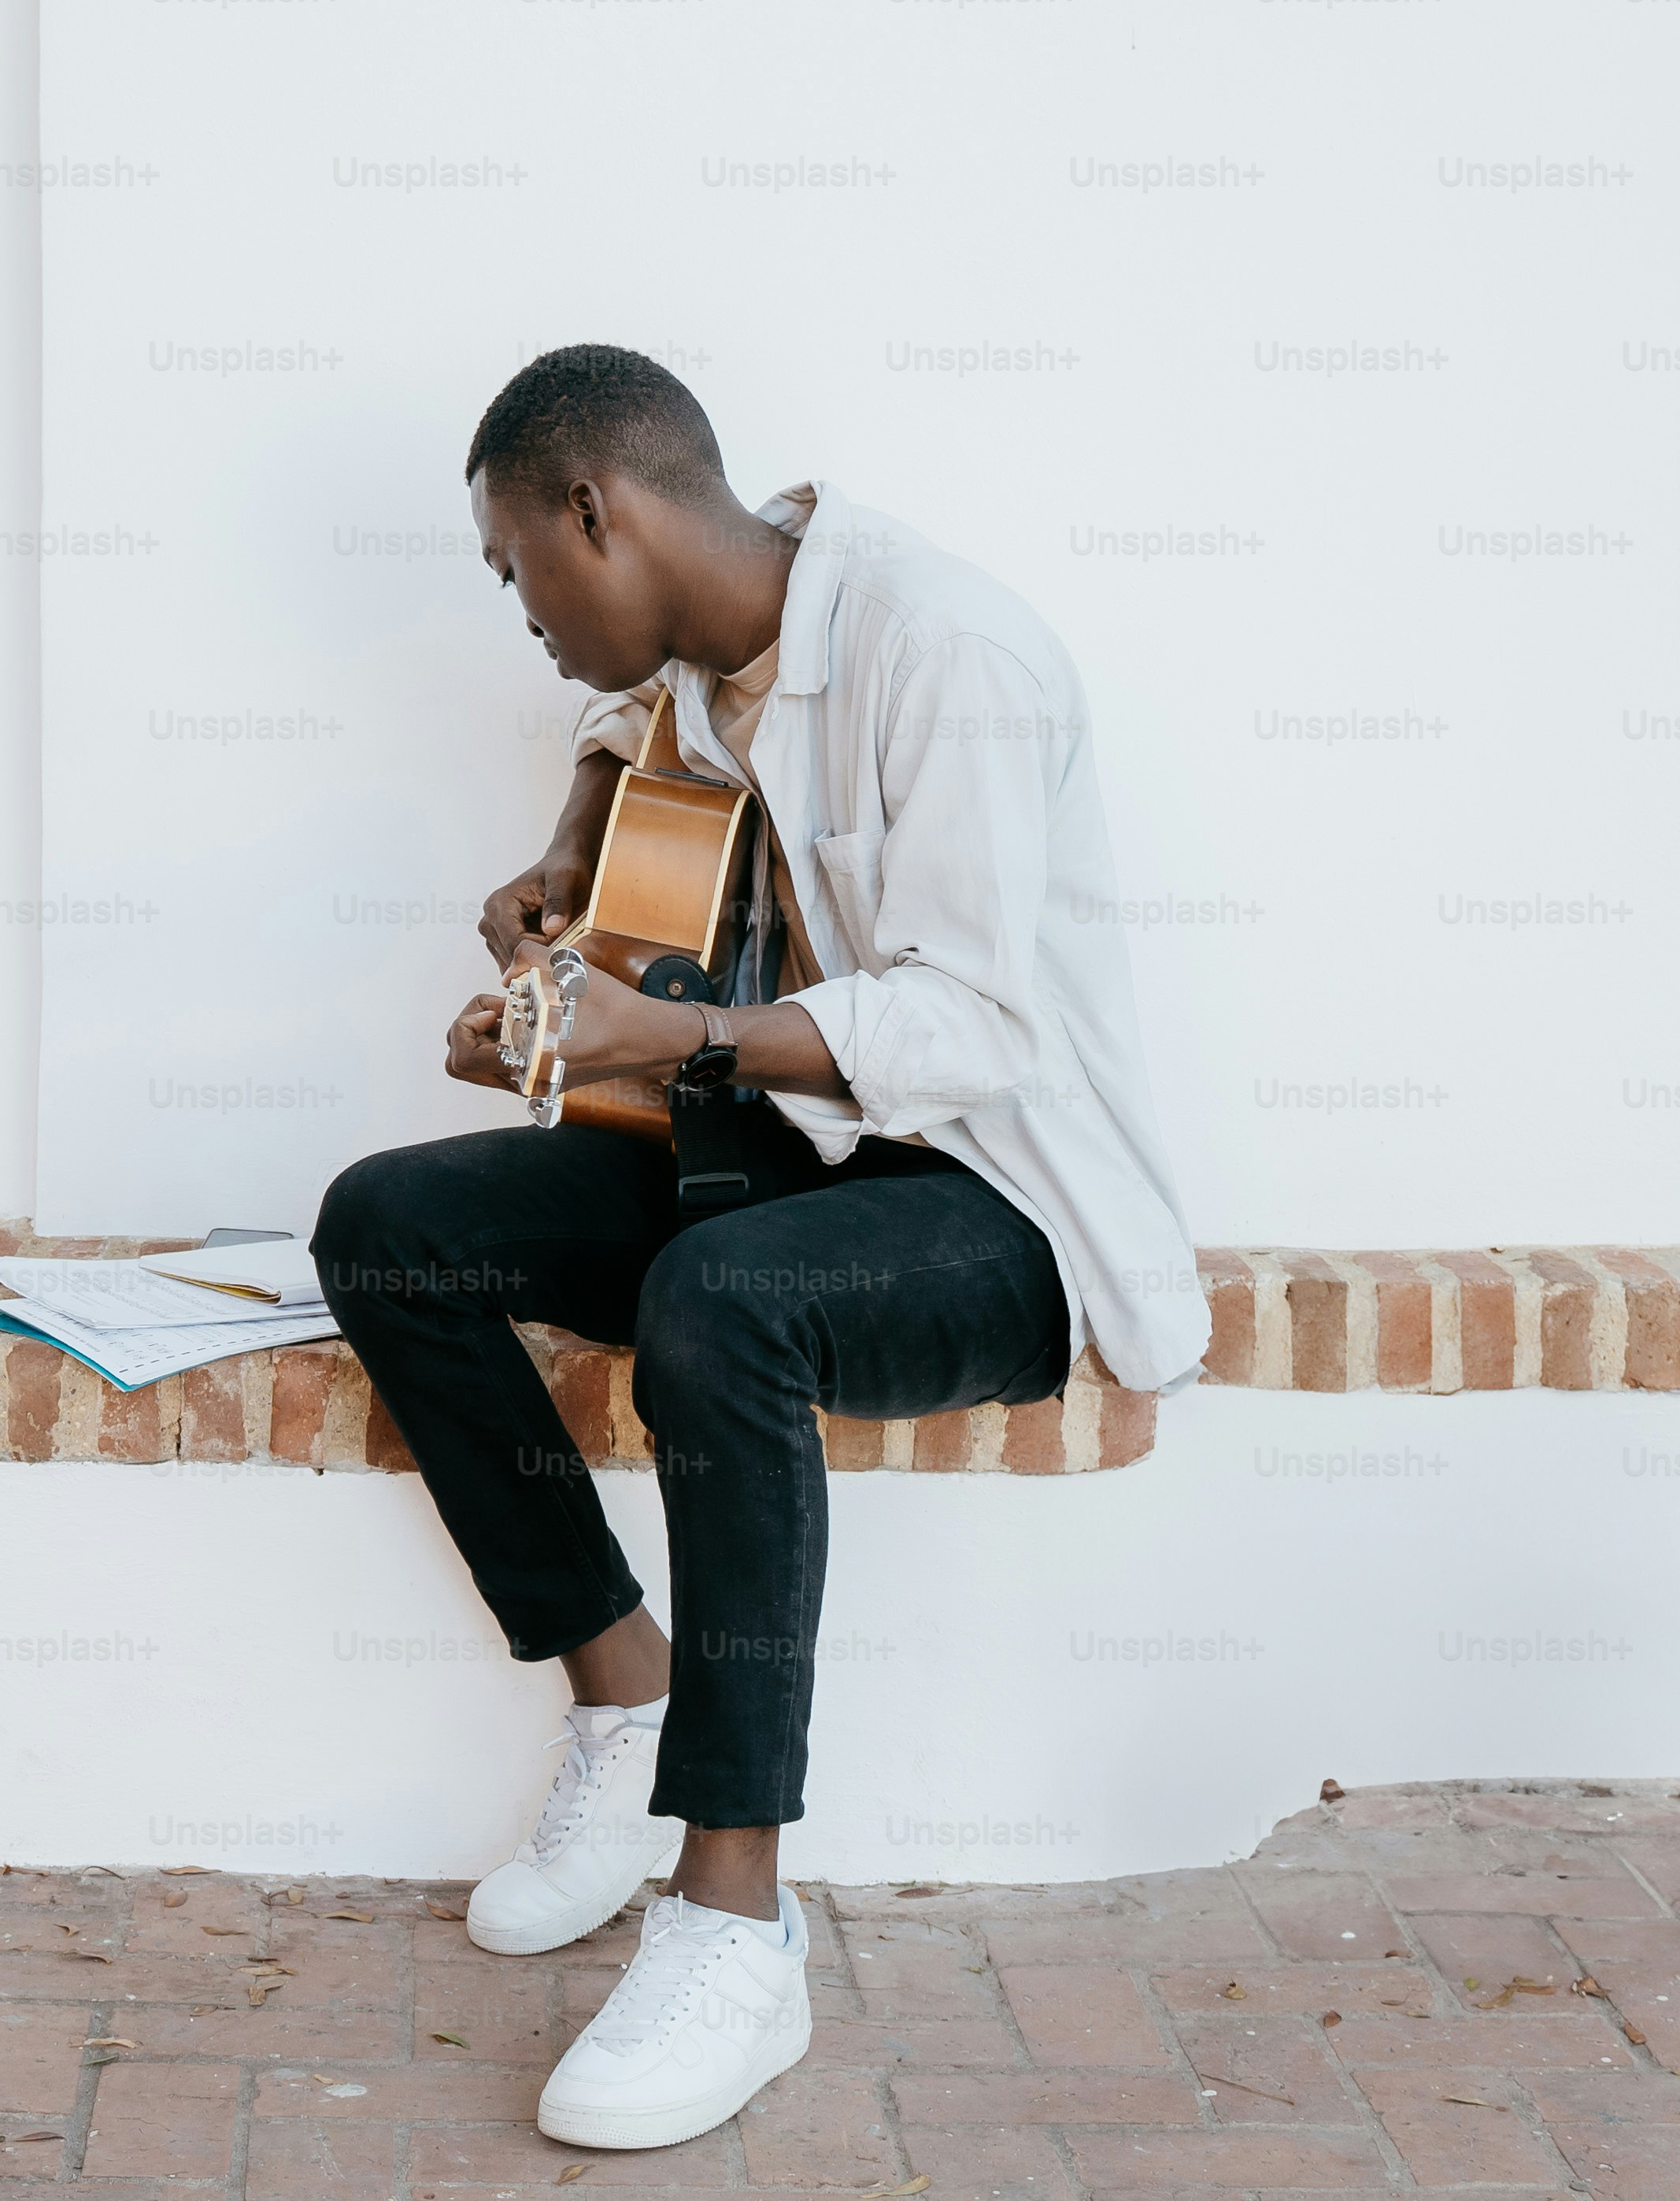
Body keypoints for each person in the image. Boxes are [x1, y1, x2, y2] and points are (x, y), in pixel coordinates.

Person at [311, 345, 1208, 2151]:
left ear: (597, 511)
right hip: (793, 1153)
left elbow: (975, 1026)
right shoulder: (723, 634)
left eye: (516, 570)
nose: (523, 615)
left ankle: (734, 1919)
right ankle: (622, 1698)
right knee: (392, 1225)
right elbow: (639, 712)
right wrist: (575, 849)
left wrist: (673, 1040)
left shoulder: (946, 656)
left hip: (1001, 1205)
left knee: (716, 1299)